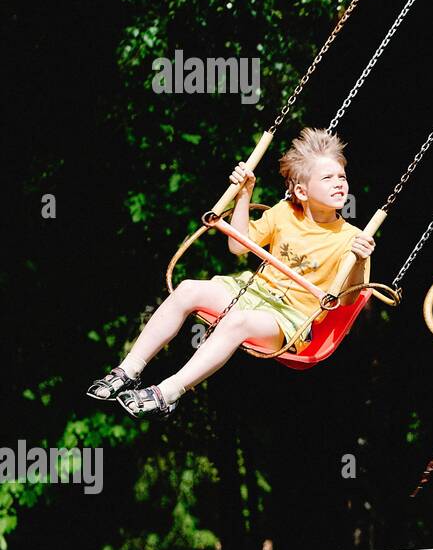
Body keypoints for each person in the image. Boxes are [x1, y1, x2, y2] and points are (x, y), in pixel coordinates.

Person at [87, 128, 376, 418]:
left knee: (237, 321)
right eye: (328, 178)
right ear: (301, 190)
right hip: (253, 291)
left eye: (342, 177)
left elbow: (349, 300)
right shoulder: (284, 212)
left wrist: (361, 259)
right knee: (188, 288)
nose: (339, 184)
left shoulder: (351, 238)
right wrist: (243, 195)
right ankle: (128, 370)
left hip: (289, 319)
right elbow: (238, 245)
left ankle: (168, 392)